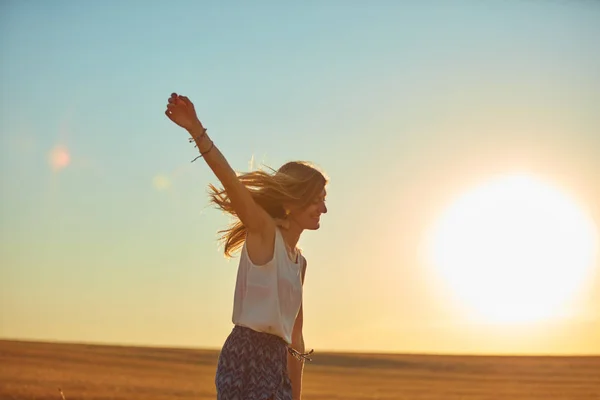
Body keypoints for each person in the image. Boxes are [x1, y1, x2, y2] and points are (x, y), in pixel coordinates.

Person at [165, 93, 328, 400]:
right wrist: (196, 130)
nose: (323, 209)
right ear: (294, 201)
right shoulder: (264, 232)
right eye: (317, 200)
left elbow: (295, 338)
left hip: (277, 363)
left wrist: (296, 395)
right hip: (246, 358)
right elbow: (231, 182)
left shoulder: (299, 264)